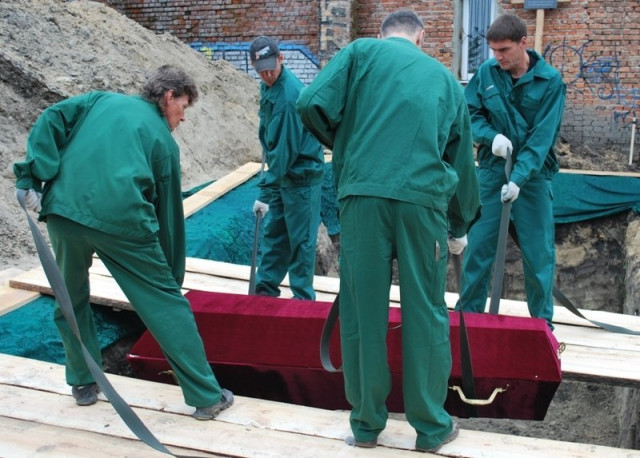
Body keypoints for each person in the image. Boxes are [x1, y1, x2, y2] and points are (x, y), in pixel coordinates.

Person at [297, 10, 480, 453]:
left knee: (362, 312)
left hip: (362, 198)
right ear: (421, 37)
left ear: (382, 35)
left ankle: (365, 426)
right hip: (422, 204)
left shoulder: (361, 52)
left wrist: (345, 143)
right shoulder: (444, 79)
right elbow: (460, 160)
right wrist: (459, 224)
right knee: (426, 312)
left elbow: (309, 103)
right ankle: (431, 429)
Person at [13, 64, 233, 420]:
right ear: (168, 96)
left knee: (70, 297)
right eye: (183, 107)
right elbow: (168, 217)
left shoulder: (98, 101)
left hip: (64, 213)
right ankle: (206, 396)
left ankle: (83, 382)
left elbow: (52, 117)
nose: (183, 117)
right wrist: (169, 281)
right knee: (166, 308)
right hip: (122, 224)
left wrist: (31, 175)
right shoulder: (163, 143)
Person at [455, 13, 566, 329]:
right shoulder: (487, 73)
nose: (498, 57)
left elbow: (541, 139)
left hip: (533, 176)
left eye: (504, 49)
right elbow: (470, 114)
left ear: (523, 43)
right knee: (478, 250)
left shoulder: (550, 82)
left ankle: (542, 329)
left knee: (538, 255)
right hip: (492, 172)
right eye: (493, 50)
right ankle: (467, 325)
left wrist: (518, 178)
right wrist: (491, 137)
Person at [248, 36, 325, 301]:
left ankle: (303, 301)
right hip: (284, 174)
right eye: (261, 71)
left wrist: (265, 193)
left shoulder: (289, 97)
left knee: (301, 241)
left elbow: (284, 152)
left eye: (271, 69)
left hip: (302, 176)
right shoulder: (268, 85)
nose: (267, 75)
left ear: (281, 59)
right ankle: (265, 290)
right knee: (275, 232)